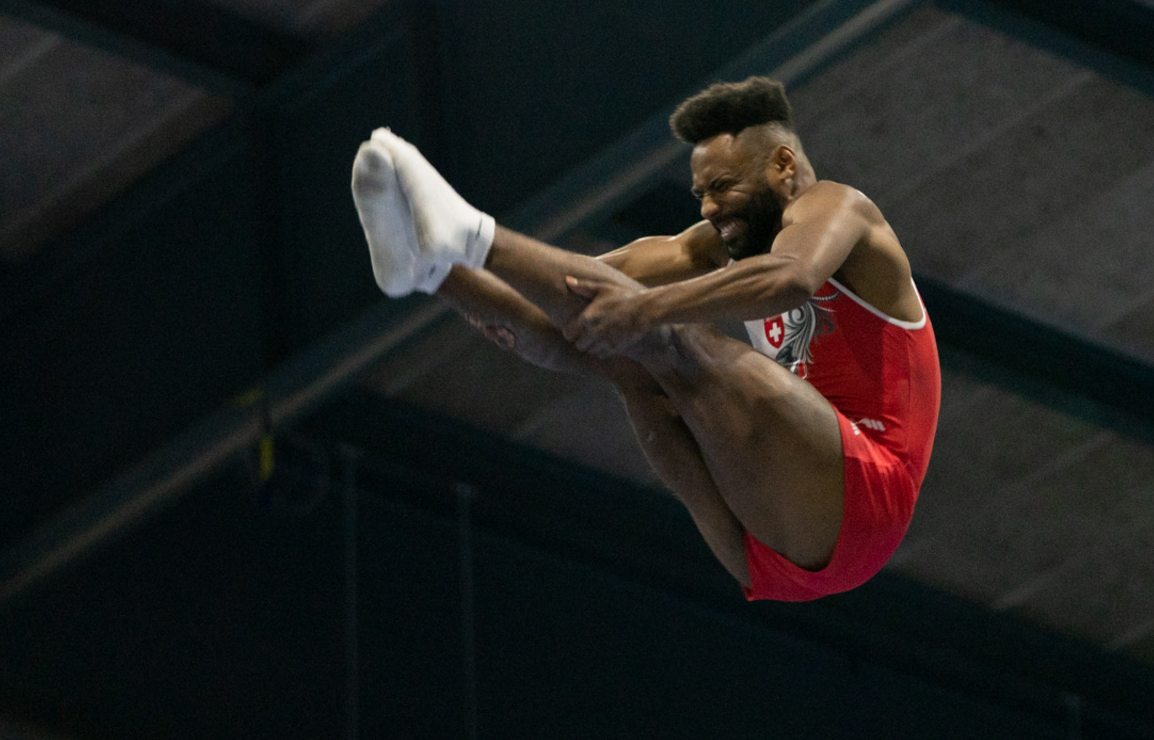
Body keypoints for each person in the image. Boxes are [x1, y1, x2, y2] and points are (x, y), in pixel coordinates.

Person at [351, 76, 939, 602]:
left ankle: (468, 232)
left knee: (672, 341)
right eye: (701, 193)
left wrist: (646, 310)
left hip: (864, 501)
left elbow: (789, 280)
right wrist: (519, 295)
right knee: (625, 362)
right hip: (763, 553)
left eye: (724, 186)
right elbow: (617, 272)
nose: (711, 208)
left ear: (783, 165)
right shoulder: (722, 238)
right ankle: (431, 269)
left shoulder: (838, 207)